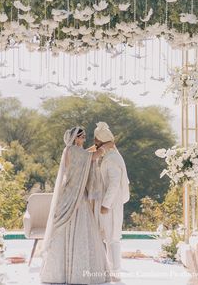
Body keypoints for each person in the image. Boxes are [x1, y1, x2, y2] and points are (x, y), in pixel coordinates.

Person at [40, 126, 112, 284]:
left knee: (63, 231)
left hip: (68, 194)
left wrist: (91, 150)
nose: (84, 139)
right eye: (82, 137)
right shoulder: (75, 151)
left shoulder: (69, 151)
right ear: (75, 138)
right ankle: (79, 272)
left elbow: (83, 158)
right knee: (82, 227)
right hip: (77, 197)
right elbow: (92, 157)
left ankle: (59, 273)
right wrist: (106, 146)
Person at [93, 122, 130, 280]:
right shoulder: (109, 155)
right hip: (109, 204)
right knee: (108, 237)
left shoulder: (112, 158)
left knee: (113, 238)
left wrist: (105, 205)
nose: (94, 144)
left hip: (111, 205)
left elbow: (114, 184)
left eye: (96, 141)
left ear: (102, 141)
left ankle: (115, 273)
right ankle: (110, 270)